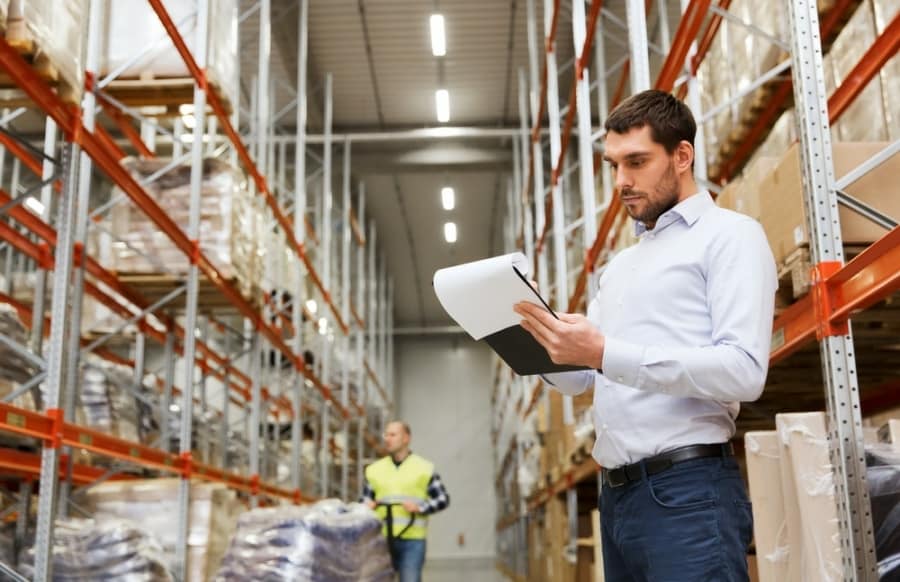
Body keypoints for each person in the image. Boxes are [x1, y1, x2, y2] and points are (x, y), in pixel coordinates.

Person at [514, 89, 776, 581]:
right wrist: (534, 343)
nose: (621, 181)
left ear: (682, 155)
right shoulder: (620, 268)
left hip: (687, 493)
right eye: (613, 164)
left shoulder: (730, 236)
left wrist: (604, 351)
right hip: (618, 498)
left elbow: (744, 371)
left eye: (636, 162)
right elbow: (588, 378)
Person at [360, 421, 450, 582]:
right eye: (386, 435)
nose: (387, 439)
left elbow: (442, 498)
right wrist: (367, 506)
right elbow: (363, 501)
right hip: (381, 541)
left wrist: (421, 507)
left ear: (406, 438)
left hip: (412, 542)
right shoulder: (374, 470)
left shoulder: (423, 468)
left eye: (393, 435)